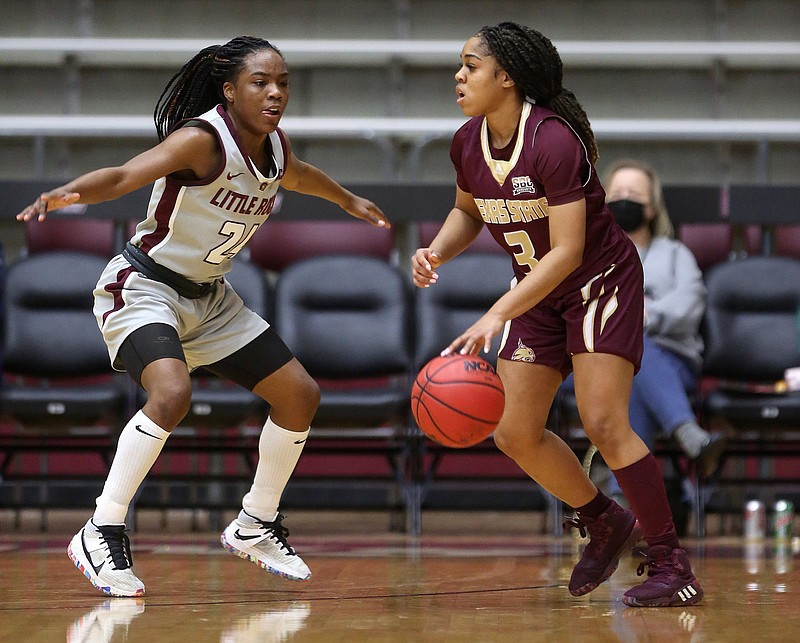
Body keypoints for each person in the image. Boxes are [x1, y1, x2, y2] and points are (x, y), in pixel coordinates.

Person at [16, 35, 390, 597]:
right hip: (145, 287)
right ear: (229, 90)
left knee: (299, 395)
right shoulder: (202, 141)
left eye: (282, 83)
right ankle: (101, 527)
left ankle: (255, 524)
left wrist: (348, 201)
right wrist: (67, 193)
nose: (275, 93)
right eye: (260, 82)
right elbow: (123, 176)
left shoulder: (275, 147)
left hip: (211, 301)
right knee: (171, 394)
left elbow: (302, 175)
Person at [412, 22, 703, 607]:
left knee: (603, 423)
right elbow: (469, 210)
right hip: (536, 288)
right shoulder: (467, 141)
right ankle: (603, 520)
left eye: (471, 66)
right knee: (515, 433)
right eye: (460, 65)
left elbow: (569, 251)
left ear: (507, 77)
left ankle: (672, 561)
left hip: (599, 282)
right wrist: (438, 248)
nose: (459, 76)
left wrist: (497, 312)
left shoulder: (552, 140)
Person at [593, 159, 727, 506]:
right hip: (594, 363)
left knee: (632, 356)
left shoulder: (675, 254)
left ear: (651, 207)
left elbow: (689, 302)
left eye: (634, 195)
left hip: (670, 359)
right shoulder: (587, 254)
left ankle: (624, 502)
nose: (624, 200)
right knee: (628, 359)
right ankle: (687, 434)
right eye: (617, 193)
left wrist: (639, 316)